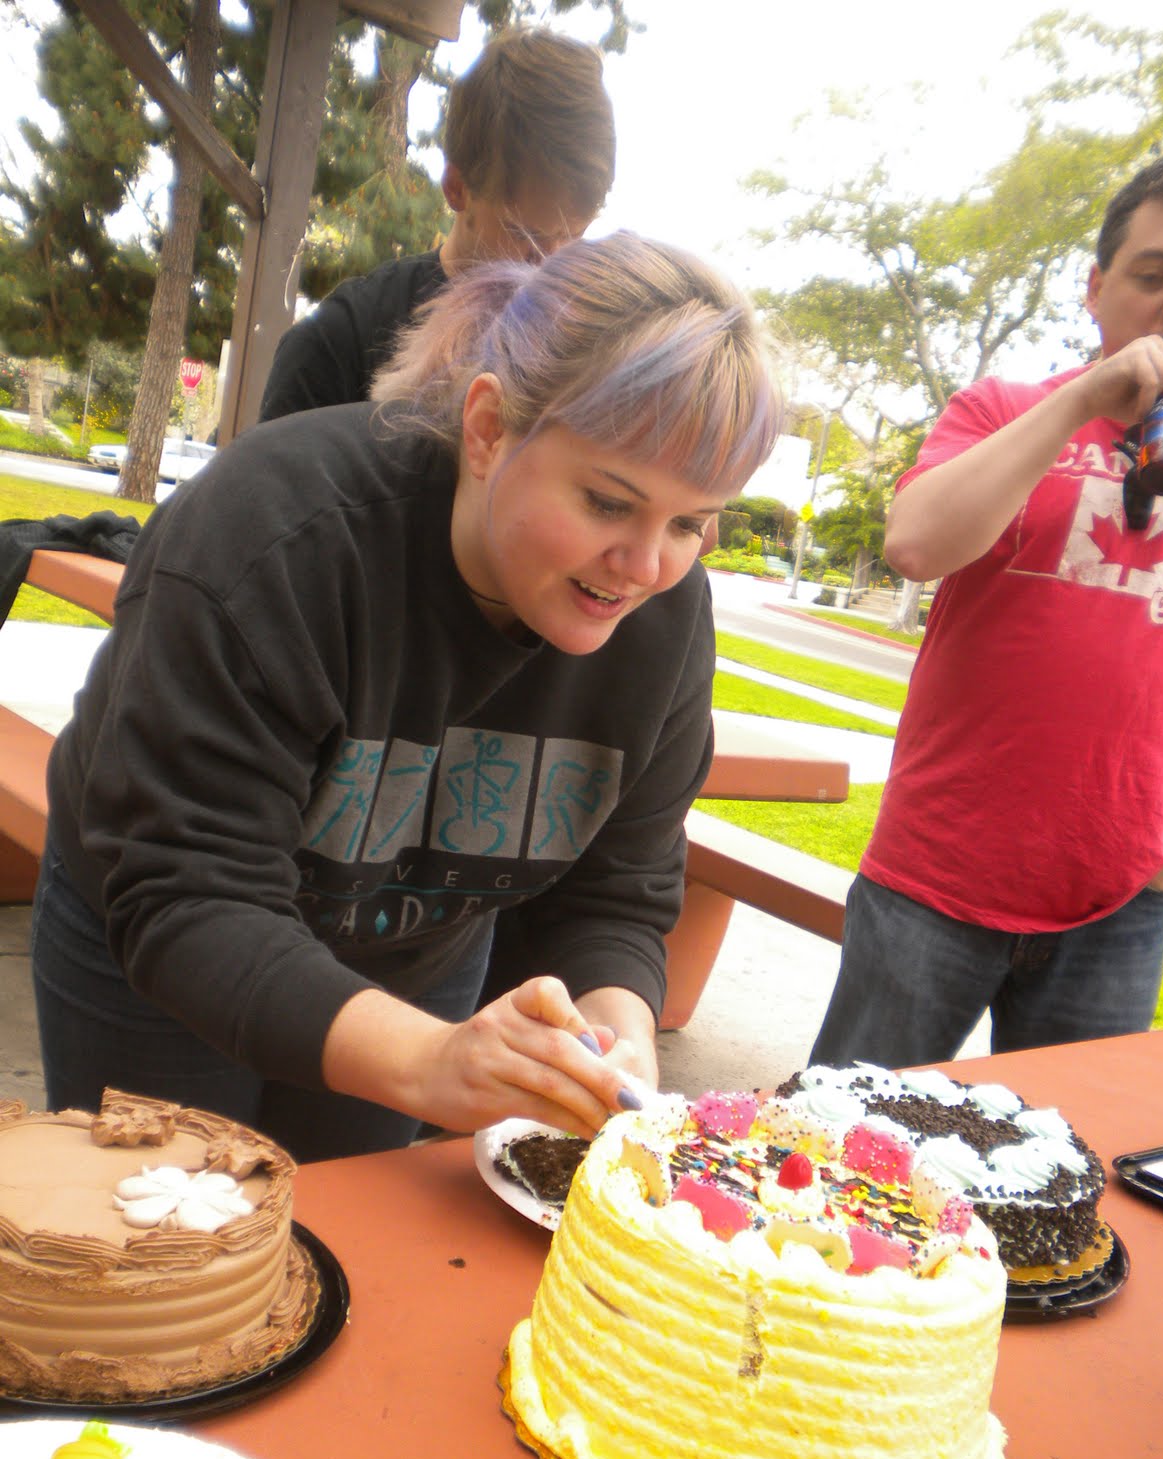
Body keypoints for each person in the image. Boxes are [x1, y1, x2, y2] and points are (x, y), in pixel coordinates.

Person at [31, 231, 783, 1162]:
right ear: (489, 428)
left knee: (350, 1237)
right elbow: (188, 888)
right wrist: (431, 1063)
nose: (645, 567)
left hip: (415, 955)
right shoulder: (278, 533)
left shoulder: (667, 617)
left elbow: (617, 891)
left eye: (691, 523)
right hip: (162, 954)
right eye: (607, 502)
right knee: (166, 1235)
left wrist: (616, 1033)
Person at [809, 149, 1163, 1071]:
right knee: (837, 1134)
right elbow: (917, 545)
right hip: (934, 877)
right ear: (1096, 290)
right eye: (1153, 275)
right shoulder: (1004, 409)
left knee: (1060, 1154)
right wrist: (1082, 401)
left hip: (1121, 901)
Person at [257, 26, 616, 423]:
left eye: (574, 236)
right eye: (526, 235)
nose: (550, 264)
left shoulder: (586, 351)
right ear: (457, 188)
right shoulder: (338, 342)